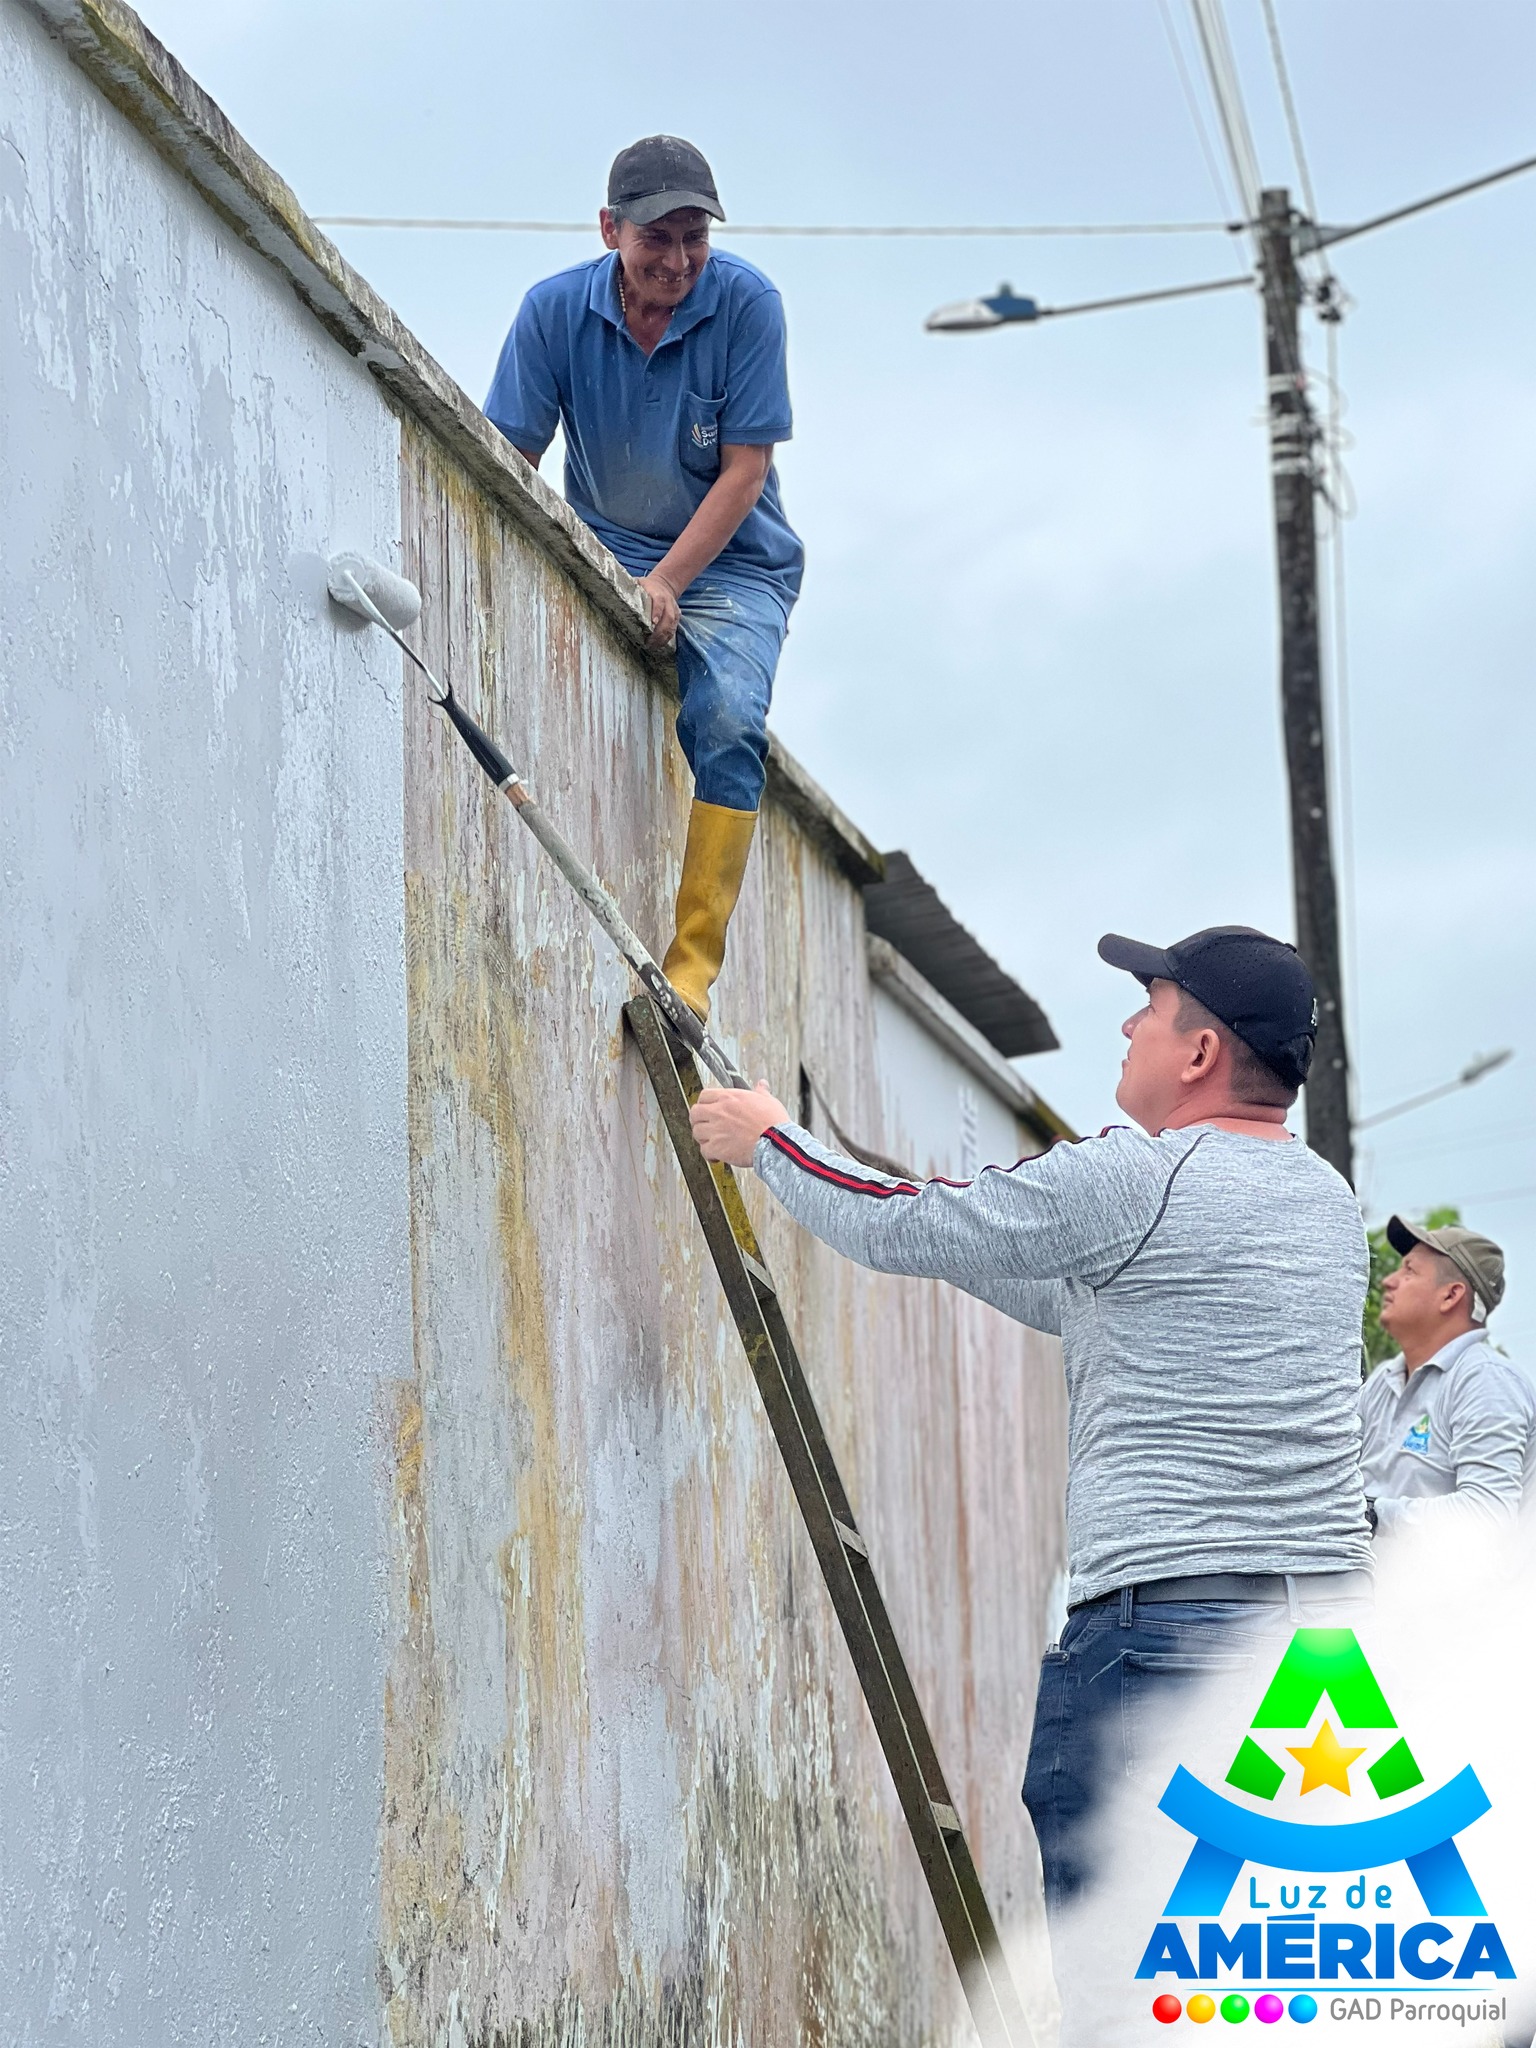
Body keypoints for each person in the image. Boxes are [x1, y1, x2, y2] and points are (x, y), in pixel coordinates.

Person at [689, 924, 1373, 2042]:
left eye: (1149, 1008)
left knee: (1134, 2000)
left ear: (1200, 1052)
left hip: (1168, 1643)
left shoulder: (1134, 1175)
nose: (1128, 1026)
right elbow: (1076, 1293)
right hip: (1324, 1654)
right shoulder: (1325, 1203)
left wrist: (770, 1142)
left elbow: (907, 1225)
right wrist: (962, 1236)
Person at [484, 135, 802, 1023]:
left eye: (694, 236)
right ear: (609, 231)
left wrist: (663, 582)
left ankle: (692, 966)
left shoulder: (748, 305)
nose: (677, 259)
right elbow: (506, 458)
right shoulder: (552, 313)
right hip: (609, 545)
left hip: (735, 564)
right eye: (656, 237)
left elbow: (745, 471)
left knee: (729, 719)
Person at [1360, 1217, 1533, 1533]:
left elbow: (1485, 1516)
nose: (1389, 1281)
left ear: (1451, 1296)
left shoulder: (1485, 1381)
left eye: (1409, 1271)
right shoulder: (1384, 1380)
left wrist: (1372, 1514)